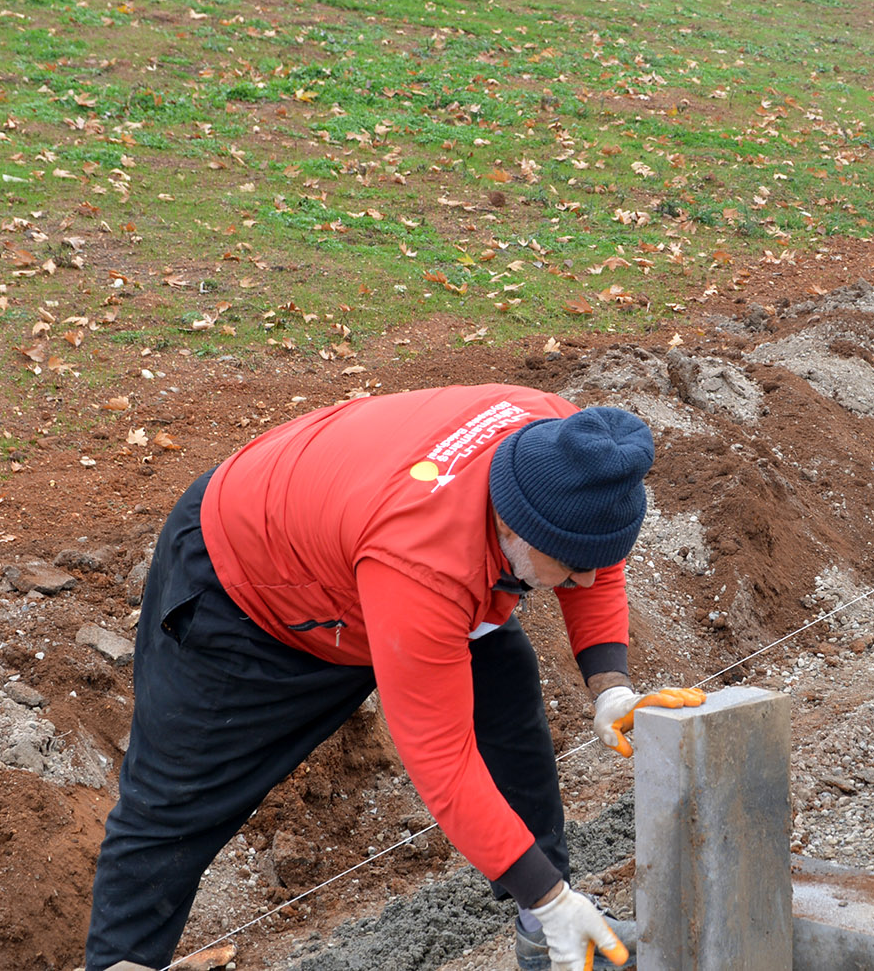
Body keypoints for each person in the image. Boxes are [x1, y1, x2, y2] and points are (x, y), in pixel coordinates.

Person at [83, 383, 704, 971]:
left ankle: (550, 941)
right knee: (172, 807)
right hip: (248, 585)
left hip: (360, 532)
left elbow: (595, 553)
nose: (589, 580)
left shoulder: (567, 447)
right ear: (514, 526)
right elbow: (442, 761)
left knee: (507, 708)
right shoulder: (425, 564)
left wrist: (610, 684)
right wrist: (550, 896)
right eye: (570, 567)